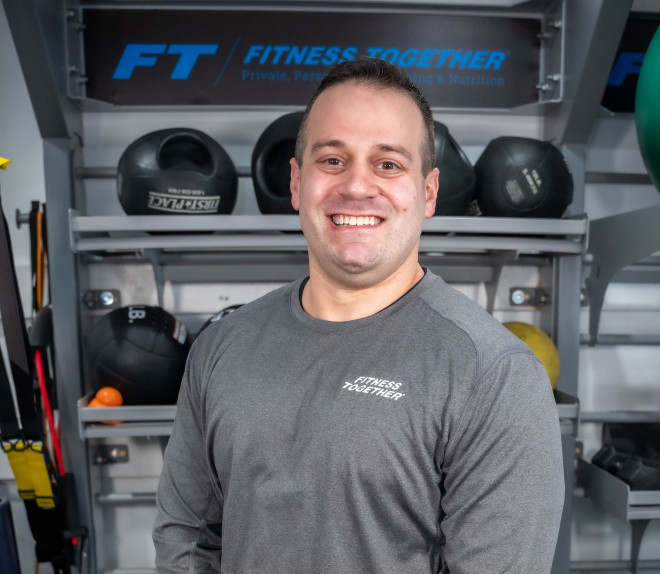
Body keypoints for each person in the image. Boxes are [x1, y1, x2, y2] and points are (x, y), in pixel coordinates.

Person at [153, 57, 565, 573]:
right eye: (332, 160)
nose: (356, 186)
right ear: (297, 182)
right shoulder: (221, 348)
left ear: (428, 193)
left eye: (388, 164)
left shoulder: (495, 374)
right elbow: (187, 539)